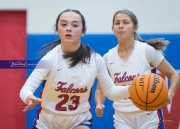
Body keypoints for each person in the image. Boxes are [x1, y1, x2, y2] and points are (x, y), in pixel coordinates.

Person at [19, 9, 131, 129]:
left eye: (75, 25)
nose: (68, 28)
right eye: (63, 24)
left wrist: (133, 88)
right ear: (57, 30)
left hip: (78, 120)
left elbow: (111, 92)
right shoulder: (48, 60)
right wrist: (28, 97)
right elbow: (26, 88)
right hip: (47, 122)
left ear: (83, 31)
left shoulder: (95, 60)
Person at [95, 9, 180, 129]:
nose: (121, 26)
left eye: (125, 22)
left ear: (135, 28)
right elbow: (100, 88)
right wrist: (99, 104)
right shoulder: (108, 57)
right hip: (122, 117)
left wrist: (170, 93)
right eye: (117, 23)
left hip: (148, 114)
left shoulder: (146, 51)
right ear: (113, 28)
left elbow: (174, 74)